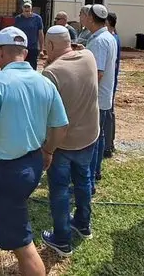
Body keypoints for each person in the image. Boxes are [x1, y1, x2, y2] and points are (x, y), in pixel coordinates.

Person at [0, 27, 68, 276]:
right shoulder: (44, 82)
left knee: (23, 246)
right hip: (33, 164)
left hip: (8, 172)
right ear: (25, 52)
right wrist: (48, 151)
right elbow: (61, 125)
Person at [39, 25, 99, 257]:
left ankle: (62, 239)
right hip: (89, 136)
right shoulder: (89, 56)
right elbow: (80, 49)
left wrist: (47, 150)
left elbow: (47, 116)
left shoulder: (51, 73)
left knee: (60, 189)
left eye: (46, 46)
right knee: (83, 180)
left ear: (50, 45)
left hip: (63, 143)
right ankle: (83, 223)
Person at [84, 4, 117, 192]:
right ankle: (95, 172)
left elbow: (97, 73)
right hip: (104, 96)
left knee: (92, 140)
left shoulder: (99, 41)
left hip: (96, 98)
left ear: (90, 18)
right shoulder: (107, 37)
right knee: (99, 136)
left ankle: (89, 181)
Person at [104, 12, 121, 158]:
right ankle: (110, 143)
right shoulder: (114, 37)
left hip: (109, 82)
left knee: (108, 113)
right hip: (111, 81)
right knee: (110, 112)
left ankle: (108, 145)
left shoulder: (112, 39)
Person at [13, 0, 45, 70]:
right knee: (20, 69)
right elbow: (15, 33)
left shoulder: (37, 18)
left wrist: (42, 50)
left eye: (28, 7)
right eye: (25, 7)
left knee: (32, 69)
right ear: (22, 8)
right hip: (21, 48)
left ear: (31, 7)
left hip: (33, 48)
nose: (27, 9)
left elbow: (40, 34)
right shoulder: (18, 19)